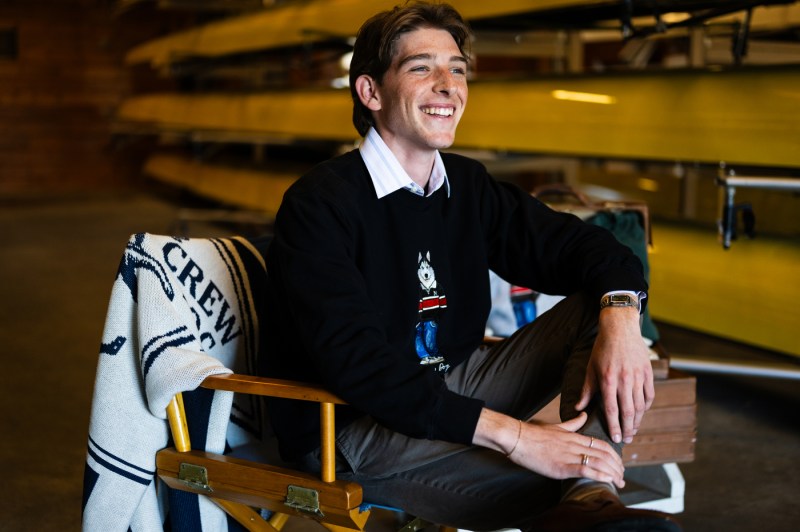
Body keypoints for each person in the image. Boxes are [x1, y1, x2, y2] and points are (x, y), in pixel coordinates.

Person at [262, 2, 681, 530]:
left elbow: (589, 249)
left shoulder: (466, 185)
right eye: (421, 68)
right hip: (350, 426)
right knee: (556, 491)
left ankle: (587, 490)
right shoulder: (320, 203)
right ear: (371, 92)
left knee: (598, 304)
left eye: (457, 69)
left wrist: (622, 318)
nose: (448, 85)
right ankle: (590, 498)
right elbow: (361, 369)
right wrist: (519, 437)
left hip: (451, 384)